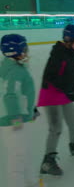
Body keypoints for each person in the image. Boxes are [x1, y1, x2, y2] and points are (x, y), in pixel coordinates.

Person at [38, 25, 74, 176]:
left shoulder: (71, 53)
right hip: (51, 94)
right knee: (56, 128)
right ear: (69, 40)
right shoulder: (58, 54)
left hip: (64, 93)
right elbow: (50, 76)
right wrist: (67, 88)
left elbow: (71, 75)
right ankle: (48, 161)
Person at [0, 34, 41, 187]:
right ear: (15, 51)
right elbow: (10, 95)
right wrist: (16, 117)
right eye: (24, 49)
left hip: (18, 117)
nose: (27, 52)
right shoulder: (15, 71)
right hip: (12, 120)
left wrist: (31, 110)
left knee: (25, 152)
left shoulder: (11, 66)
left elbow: (23, 94)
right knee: (17, 157)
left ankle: (32, 181)